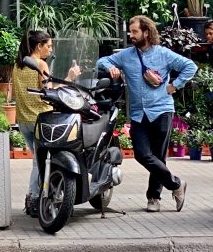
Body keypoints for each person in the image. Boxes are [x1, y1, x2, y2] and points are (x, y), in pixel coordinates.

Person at [97, 14, 197, 213]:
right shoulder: (126, 55)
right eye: (130, 31)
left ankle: (154, 198)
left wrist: (174, 86)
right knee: (143, 155)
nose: (130, 35)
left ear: (146, 32)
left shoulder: (163, 54)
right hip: (138, 114)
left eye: (134, 31)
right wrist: (111, 68)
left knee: (158, 156)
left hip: (162, 110)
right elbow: (101, 61)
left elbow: (190, 66)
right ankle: (176, 184)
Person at [12, 29, 81, 218]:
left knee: (38, 160)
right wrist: (70, 78)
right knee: (39, 162)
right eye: (48, 46)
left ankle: (38, 197)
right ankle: (33, 199)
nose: (50, 50)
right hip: (40, 120)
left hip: (24, 120)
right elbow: (50, 93)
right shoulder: (40, 64)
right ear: (38, 46)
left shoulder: (18, 65)